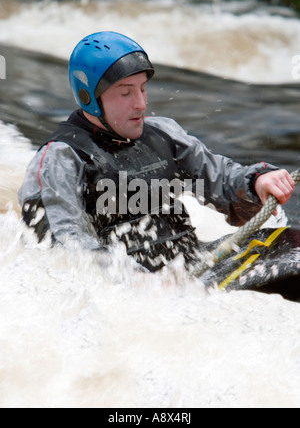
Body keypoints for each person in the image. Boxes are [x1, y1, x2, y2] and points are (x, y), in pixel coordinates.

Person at [18, 31, 295, 272]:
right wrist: (135, 280)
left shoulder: (164, 133)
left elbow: (220, 177)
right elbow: (64, 250)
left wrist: (256, 181)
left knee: (292, 246)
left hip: (191, 266)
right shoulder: (59, 159)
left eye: (142, 89)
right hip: (131, 289)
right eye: (125, 93)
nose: (140, 104)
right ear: (89, 98)